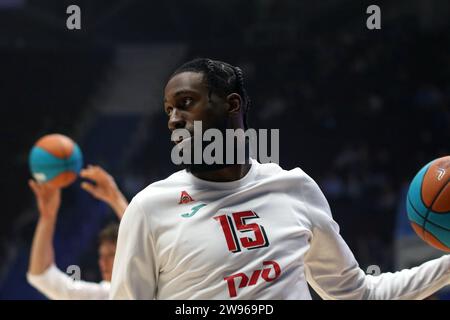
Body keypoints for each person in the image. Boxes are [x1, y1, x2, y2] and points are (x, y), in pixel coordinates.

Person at [110, 58, 450, 299]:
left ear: (232, 104)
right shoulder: (149, 208)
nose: (173, 120)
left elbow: (359, 294)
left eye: (185, 103)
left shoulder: (294, 188)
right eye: (168, 109)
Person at [27, 165, 128, 299]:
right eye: (101, 255)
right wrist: (47, 218)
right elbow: (41, 275)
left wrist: (116, 199)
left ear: (128, 255)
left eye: (111, 254)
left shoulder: (150, 281)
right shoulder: (104, 294)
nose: (103, 262)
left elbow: (143, 239)